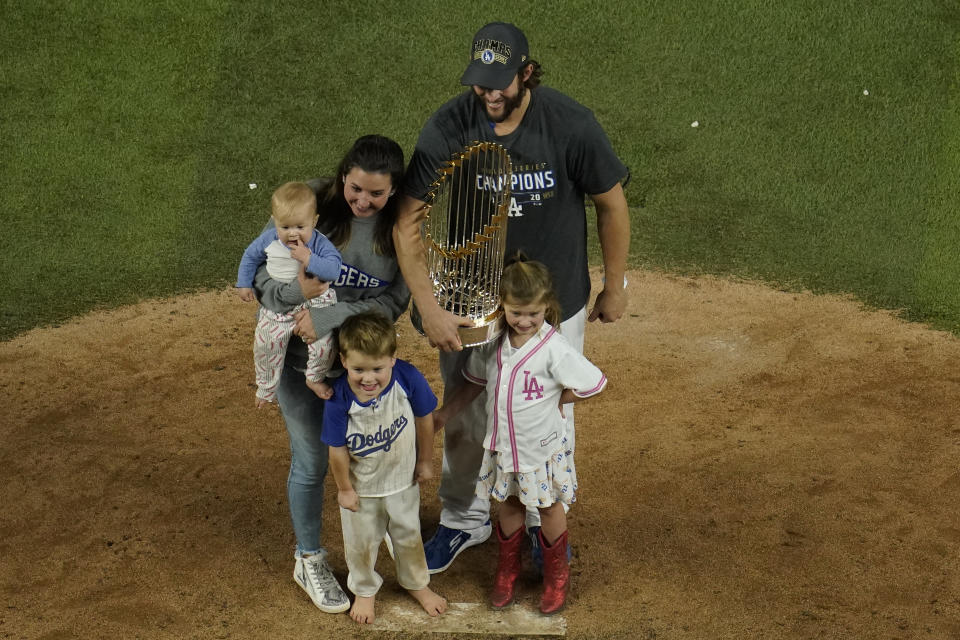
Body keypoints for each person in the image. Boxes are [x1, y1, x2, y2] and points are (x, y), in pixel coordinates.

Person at [393, 21, 630, 573]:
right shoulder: (451, 124)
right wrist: (429, 306)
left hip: (553, 301)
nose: (490, 95)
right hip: (472, 299)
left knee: (546, 417)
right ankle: (463, 518)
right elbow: (408, 219)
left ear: (527, 72)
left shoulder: (569, 124)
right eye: (481, 84)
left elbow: (611, 204)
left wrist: (614, 286)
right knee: (468, 411)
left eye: (501, 83)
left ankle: (542, 523)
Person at [252, 135, 410, 614]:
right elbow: (262, 279)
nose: (362, 201)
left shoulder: (402, 225)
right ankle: (310, 557)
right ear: (344, 177)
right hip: (301, 365)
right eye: (355, 189)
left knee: (367, 454)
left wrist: (331, 316)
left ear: (393, 190)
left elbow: (395, 301)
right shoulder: (310, 204)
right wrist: (297, 295)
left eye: (376, 194)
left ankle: (375, 546)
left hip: (363, 366)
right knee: (312, 461)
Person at [434, 257, 607, 614]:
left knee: (548, 507)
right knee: (509, 506)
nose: (525, 321)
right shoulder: (493, 342)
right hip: (503, 448)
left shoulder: (553, 347)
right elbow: (474, 383)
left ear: (547, 307)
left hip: (539, 450)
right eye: (516, 313)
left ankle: (557, 576)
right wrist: (444, 415)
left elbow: (594, 382)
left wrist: (560, 396)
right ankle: (507, 570)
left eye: (534, 313)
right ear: (502, 306)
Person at [322, 311, 447, 624]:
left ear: (393, 358)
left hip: (403, 480)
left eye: (377, 368)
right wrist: (344, 489)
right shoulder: (338, 399)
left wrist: (424, 461)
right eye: (358, 369)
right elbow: (336, 450)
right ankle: (365, 589)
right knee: (360, 544)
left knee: (409, 536)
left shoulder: (407, 377)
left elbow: (425, 419)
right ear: (343, 361)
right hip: (361, 489)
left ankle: (417, 584)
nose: (368, 378)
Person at [236, 181, 343, 405]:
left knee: (324, 343)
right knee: (266, 341)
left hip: (317, 302)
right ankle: (266, 387)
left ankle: (314, 378)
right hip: (280, 305)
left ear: (314, 222)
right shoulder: (269, 239)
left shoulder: (320, 243)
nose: (292, 233)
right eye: (285, 227)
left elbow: (334, 269)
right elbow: (250, 256)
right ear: (275, 222)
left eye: (300, 227)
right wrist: (243, 283)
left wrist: (309, 258)